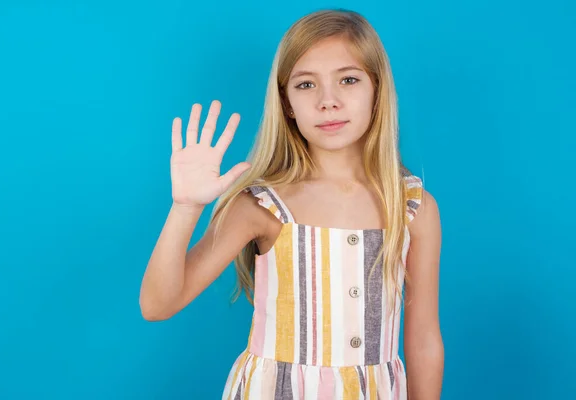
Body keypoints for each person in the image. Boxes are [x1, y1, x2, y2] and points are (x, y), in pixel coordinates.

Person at [139, 8, 444, 400]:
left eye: (348, 80)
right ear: (286, 102)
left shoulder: (413, 207)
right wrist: (185, 207)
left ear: (377, 90)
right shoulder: (261, 205)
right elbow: (157, 305)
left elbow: (423, 342)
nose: (328, 101)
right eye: (305, 85)